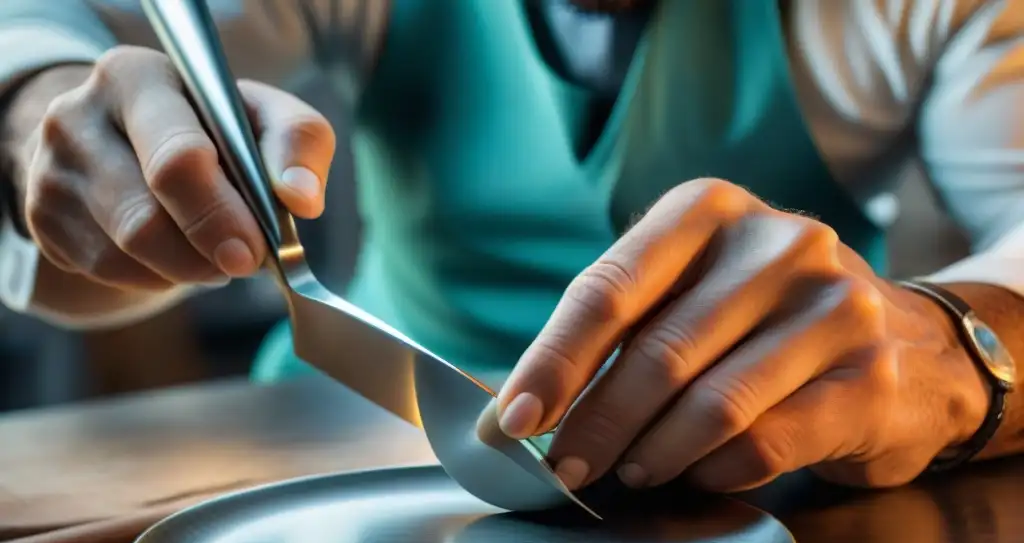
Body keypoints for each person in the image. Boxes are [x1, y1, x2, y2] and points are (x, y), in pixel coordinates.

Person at [0, 0, 1022, 495]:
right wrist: (40, 108)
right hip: (338, 461)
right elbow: (58, 26)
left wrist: (948, 347)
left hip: (757, 490)